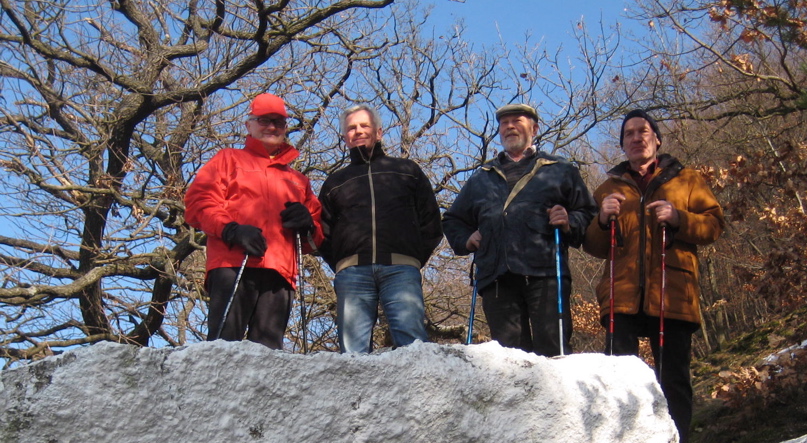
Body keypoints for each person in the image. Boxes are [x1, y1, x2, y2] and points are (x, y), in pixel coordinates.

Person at [582, 109, 725, 443]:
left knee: (673, 379)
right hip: (622, 296)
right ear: (622, 144)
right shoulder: (608, 188)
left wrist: (679, 218)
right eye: (628, 133)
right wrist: (601, 219)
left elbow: (714, 226)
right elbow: (593, 245)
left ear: (657, 139)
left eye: (643, 131)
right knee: (618, 380)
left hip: (672, 293)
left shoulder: (688, 179)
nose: (636, 138)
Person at [442, 103, 596, 357]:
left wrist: (569, 221)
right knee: (508, 359)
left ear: (534, 129)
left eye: (517, 121)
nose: (510, 126)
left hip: (546, 273)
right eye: (504, 123)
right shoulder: (481, 177)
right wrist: (467, 238)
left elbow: (588, 212)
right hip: (496, 277)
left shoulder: (560, 170)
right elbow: (452, 219)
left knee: (553, 351)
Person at [185, 92, 323, 350]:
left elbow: (316, 239)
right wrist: (231, 230)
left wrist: (308, 225)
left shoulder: (299, 180)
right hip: (232, 264)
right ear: (249, 125)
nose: (272, 127)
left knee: (269, 354)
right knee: (223, 347)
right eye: (264, 120)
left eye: (279, 122)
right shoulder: (227, 159)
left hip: (280, 273)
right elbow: (199, 203)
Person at [318, 104, 443, 353]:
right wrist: (344, 262)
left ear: (379, 132)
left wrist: (411, 258)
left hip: (401, 270)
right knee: (352, 353)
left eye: (365, 126)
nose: (358, 131)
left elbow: (431, 222)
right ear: (345, 137)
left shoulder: (407, 171)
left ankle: (418, 393)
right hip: (352, 273)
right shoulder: (334, 182)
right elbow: (323, 233)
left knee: (413, 345)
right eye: (352, 128)